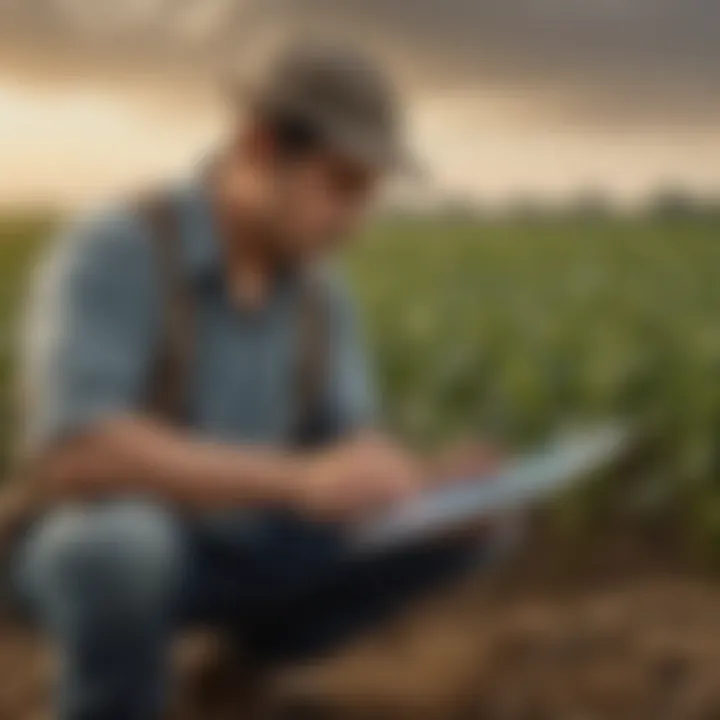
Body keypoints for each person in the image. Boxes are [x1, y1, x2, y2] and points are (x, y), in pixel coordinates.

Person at [11, 39, 516, 720]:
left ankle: (241, 677)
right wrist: (298, 482)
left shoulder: (319, 296)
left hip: (250, 547)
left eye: (368, 194)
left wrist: (425, 486)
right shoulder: (116, 248)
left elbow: (345, 449)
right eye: (341, 185)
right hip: (91, 548)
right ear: (257, 149)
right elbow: (79, 453)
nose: (355, 221)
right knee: (122, 547)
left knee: (478, 526)